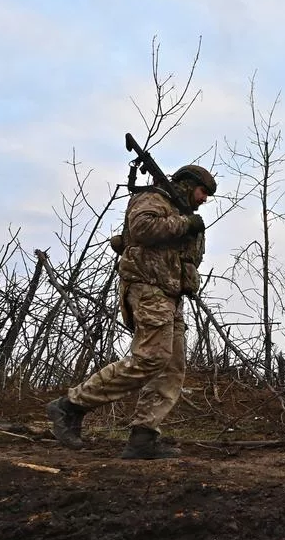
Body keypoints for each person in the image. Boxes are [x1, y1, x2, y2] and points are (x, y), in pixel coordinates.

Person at [46, 164, 216, 459]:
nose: (204, 199)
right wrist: (185, 225)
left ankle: (143, 437)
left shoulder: (180, 212)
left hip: (170, 295)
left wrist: (189, 237)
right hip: (148, 289)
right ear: (188, 185)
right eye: (203, 192)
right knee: (151, 359)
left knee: (171, 367)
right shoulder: (154, 198)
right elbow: (141, 228)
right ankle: (70, 405)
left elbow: (184, 257)